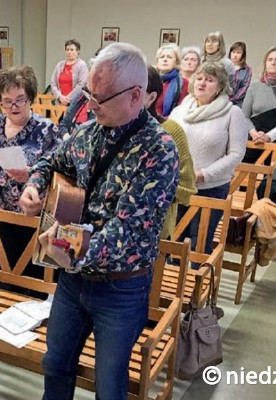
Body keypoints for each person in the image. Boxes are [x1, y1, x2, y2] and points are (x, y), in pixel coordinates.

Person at [19, 43, 179, 400]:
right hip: (73, 283)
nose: (90, 104)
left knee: (109, 385)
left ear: (137, 96)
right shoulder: (86, 132)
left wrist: (65, 243)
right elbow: (50, 162)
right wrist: (34, 185)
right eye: (89, 93)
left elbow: (125, 233)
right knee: (56, 364)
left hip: (121, 288)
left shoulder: (159, 150)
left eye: (101, 98)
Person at [0, 66, 62, 295]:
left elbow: (60, 171)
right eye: (6, 101)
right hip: (1, 211)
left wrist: (30, 174)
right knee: (3, 278)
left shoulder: (47, 129)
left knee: (33, 284)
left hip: (33, 215)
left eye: (20, 100)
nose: (13, 107)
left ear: (31, 98)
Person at [169, 62, 247, 261]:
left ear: (220, 87)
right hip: (178, 186)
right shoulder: (180, 110)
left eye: (210, 80)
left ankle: (193, 288)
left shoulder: (232, 113)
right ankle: (170, 288)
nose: (202, 83)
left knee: (198, 244)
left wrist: (204, 174)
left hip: (211, 187)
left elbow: (236, 154)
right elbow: (167, 143)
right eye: (200, 78)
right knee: (173, 241)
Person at [145, 65, 197, 239]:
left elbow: (186, 185)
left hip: (155, 227)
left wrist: (148, 191)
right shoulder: (115, 127)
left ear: (150, 97)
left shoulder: (170, 131)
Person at [50, 39, 89, 105]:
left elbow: (81, 84)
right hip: (60, 102)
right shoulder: (59, 65)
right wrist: (60, 97)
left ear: (78, 51)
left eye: (72, 50)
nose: (69, 52)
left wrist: (68, 98)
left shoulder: (82, 65)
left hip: (76, 102)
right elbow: (53, 83)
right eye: (67, 49)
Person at [155, 44, 189, 117]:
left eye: (169, 57)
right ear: (157, 61)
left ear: (176, 62)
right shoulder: (150, 80)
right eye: (162, 57)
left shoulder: (184, 83)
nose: (165, 59)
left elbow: (181, 111)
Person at [229, 41, 253, 106]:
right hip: (222, 101)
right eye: (233, 52)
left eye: (238, 53)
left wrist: (232, 100)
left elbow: (245, 87)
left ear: (243, 55)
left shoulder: (247, 69)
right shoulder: (225, 66)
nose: (235, 55)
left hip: (238, 103)